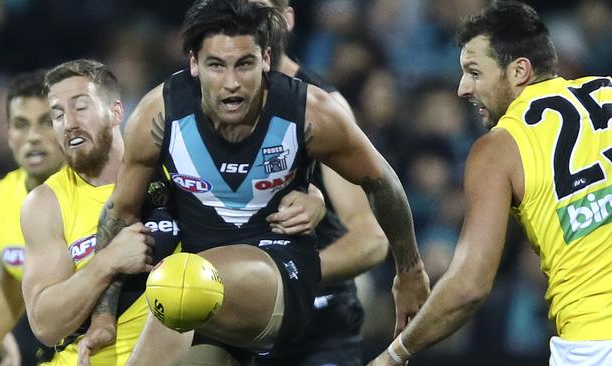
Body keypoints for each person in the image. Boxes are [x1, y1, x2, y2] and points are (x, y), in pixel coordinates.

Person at [83, 0, 430, 365]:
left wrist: (410, 270)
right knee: (183, 297)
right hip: (200, 304)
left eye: (244, 64)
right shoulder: (159, 114)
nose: (232, 83)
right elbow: (120, 213)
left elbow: (382, 182)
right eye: (216, 65)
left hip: (277, 275)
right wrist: (104, 315)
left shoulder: (311, 112)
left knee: (179, 285)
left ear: (265, 59)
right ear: (193, 65)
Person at [368, 1, 612, 365]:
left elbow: (469, 285)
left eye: (475, 72)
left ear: (519, 71)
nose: (463, 88)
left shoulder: (498, 149)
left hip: (600, 344)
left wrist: (393, 355)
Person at [249, 1, 389, 365]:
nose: (249, 22)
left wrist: (280, 284)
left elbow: (370, 239)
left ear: (289, 19)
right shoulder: (191, 105)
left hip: (316, 326)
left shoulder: (321, 107)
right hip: (232, 323)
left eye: (260, 9)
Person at [19, 59, 182, 366]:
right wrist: (107, 260)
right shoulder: (46, 203)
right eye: (57, 115)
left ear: (116, 112)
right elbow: (45, 325)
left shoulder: (170, 170)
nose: (68, 123)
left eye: (80, 107)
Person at [0, 70, 65, 366]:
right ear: (8, 135)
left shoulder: (95, 192)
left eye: (46, 122)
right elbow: (13, 277)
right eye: (21, 124)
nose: (33, 137)